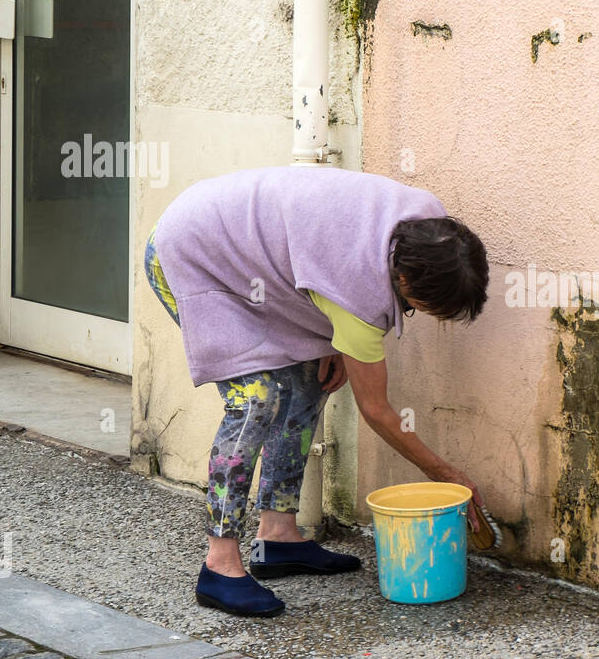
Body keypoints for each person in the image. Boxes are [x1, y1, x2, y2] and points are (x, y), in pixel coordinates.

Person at [143, 166, 489, 617]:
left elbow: (320, 254)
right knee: (255, 400)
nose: (417, 315)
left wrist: (331, 340)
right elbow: (377, 411)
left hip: (244, 250)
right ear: (403, 282)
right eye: (420, 308)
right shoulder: (360, 296)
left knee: (309, 382)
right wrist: (446, 473)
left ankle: (278, 537)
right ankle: (219, 565)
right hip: (187, 249)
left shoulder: (432, 232)